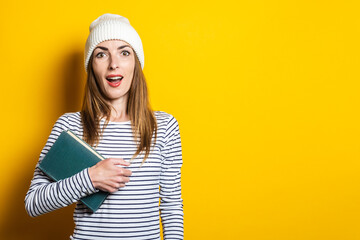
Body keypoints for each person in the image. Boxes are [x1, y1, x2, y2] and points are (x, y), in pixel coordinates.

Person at [25, 13, 184, 240]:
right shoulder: (70, 126)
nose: (113, 64)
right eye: (101, 54)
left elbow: (171, 205)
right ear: (92, 67)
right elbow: (33, 203)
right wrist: (91, 178)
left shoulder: (164, 126)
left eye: (124, 52)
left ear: (136, 63)